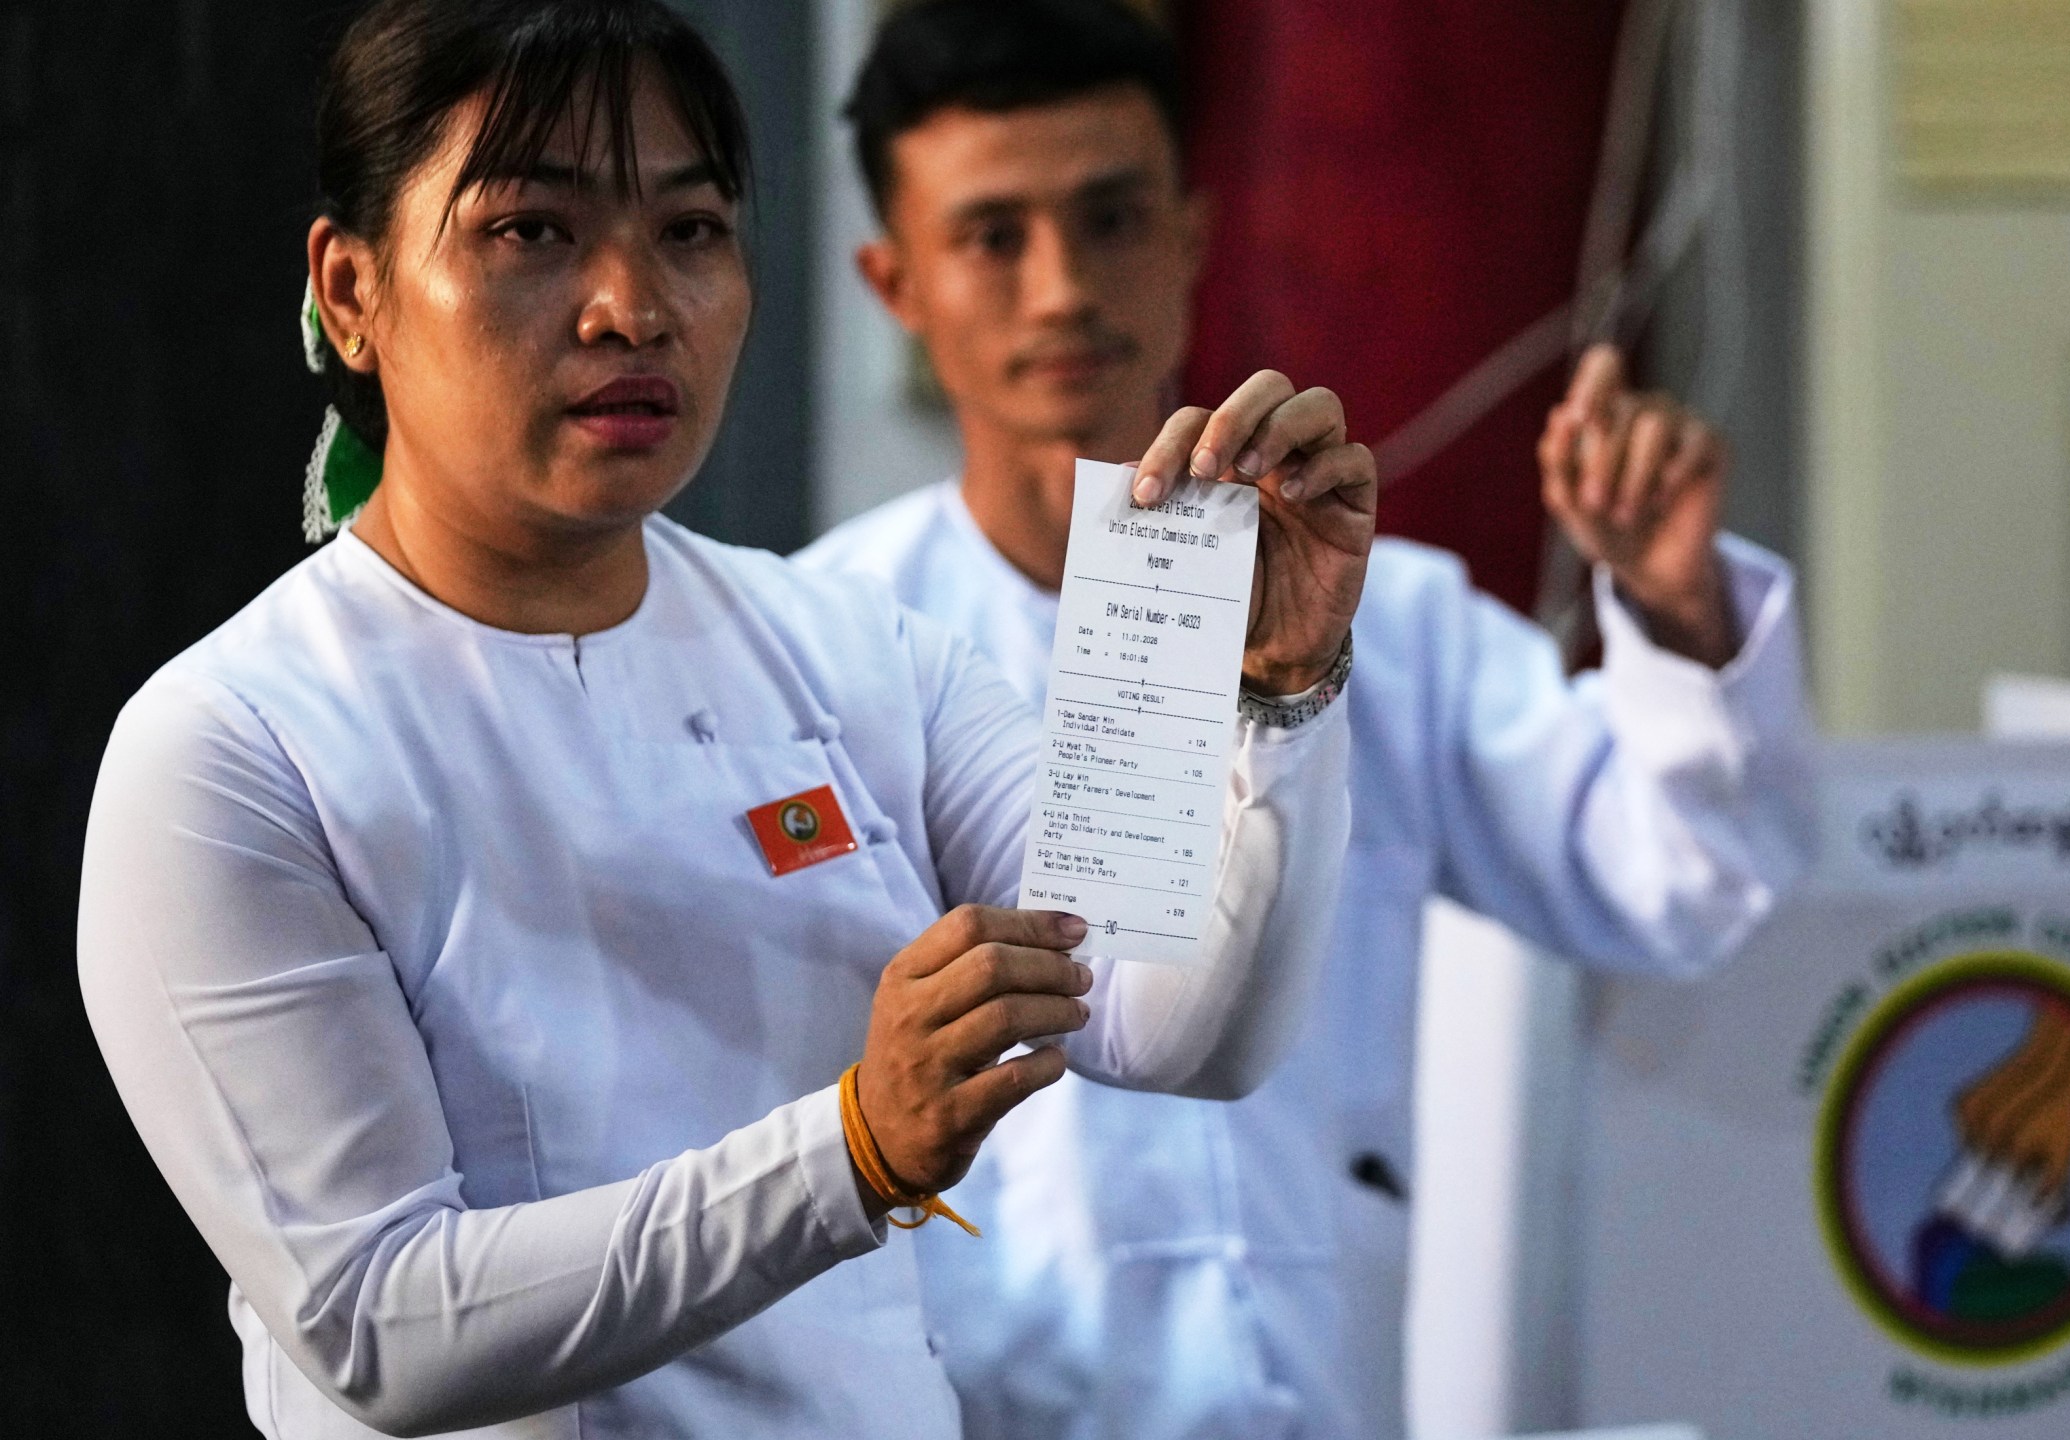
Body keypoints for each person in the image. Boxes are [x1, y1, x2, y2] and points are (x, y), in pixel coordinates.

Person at [76, 2, 1376, 1436]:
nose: (632, 304)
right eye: (530, 231)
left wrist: (1276, 697)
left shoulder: (860, 653)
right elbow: (381, 1323)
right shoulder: (230, 750)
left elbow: (1167, 1023)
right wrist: (852, 1153)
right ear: (352, 289)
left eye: (691, 231)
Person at [794, 2, 1814, 1435]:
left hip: (1317, 1389)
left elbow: (1687, 883)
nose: (1061, 287)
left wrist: (1679, 606)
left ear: (1194, 235)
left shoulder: (1377, 617)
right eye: (992, 236)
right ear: (895, 281)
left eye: (1109, 216)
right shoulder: (819, 654)